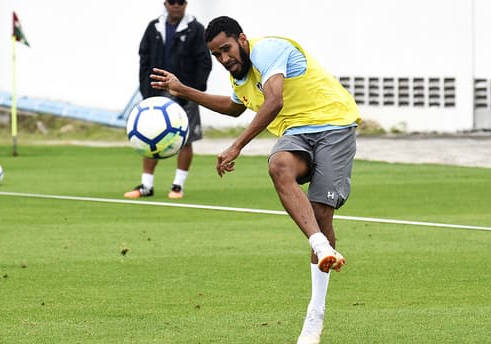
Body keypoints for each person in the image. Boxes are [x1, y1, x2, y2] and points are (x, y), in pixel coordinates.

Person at [150, 16, 361, 343]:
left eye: (226, 49)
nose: (223, 59)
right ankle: (319, 245)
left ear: (242, 39)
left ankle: (315, 315)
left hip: (334, 125)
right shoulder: (240, 77)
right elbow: (235, 108)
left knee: (320, 214)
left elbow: (274, 100)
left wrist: (236, 146)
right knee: (278, 165)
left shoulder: (268, 50)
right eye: (217, 55)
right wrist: (182, 90)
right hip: (297, 133)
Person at [124, 0, 211, 199]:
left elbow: (204, 62)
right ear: (165, 4)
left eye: (180, 2)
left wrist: (193, 91)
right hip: (156, 93)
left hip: (184, 91)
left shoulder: (196, 29)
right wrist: (146, 90)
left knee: (185, 139)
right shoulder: (154, 27)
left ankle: (177, 186)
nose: (176, 6)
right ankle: (146, 185)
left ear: (186, 4)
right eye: (172, 2)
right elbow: (144, 58)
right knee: (147, 135)